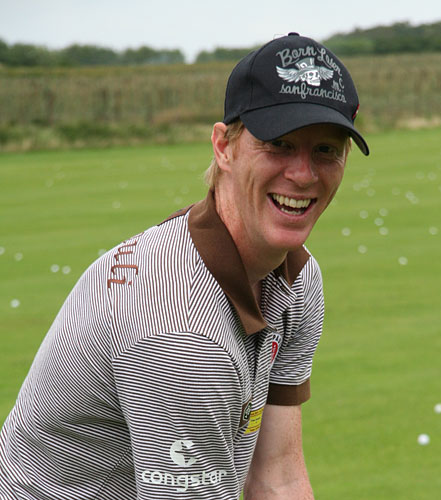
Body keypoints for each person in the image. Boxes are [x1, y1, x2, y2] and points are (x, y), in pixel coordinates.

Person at [0, 32, 369, 499]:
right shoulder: (183, 337)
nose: (303, 174)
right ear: (223, 147)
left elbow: (277, 476)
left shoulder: (299, 279)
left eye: (326, 150)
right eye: (279, 144)